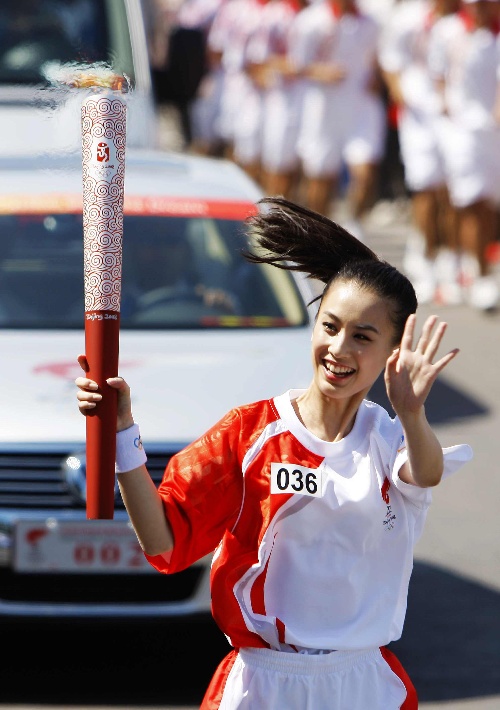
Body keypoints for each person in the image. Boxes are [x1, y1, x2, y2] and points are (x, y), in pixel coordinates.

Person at [75, 197, 472, 709]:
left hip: (360, 687)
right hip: (263, 685)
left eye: (362, 337)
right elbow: (162, 541)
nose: (339, 349)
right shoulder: (251, 432)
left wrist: (412, 412)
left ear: (392, 354)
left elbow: (426, 473)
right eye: (330, 326)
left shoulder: (389, 438)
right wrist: (121, 433)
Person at [379, 0, 462, 306]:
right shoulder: (408, 18)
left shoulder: (461, 20)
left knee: (454, 191)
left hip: (455, 114)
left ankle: (450, 259)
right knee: (426, 187)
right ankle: (425, 258)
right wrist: (403, 97)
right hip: (419, 116)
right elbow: (390, 62)